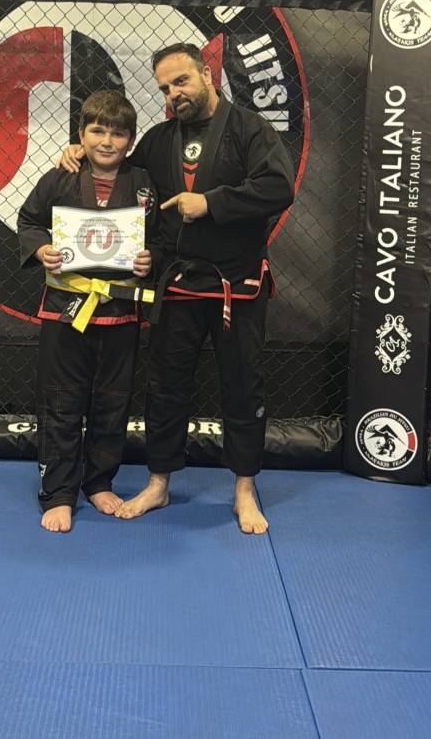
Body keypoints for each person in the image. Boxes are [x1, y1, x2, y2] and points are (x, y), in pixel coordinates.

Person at [60, 43, 295, 534]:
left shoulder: (250, 129)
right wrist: (79, 153)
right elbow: (121, 170)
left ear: (207, 73)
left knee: (243, 385)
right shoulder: (160, 138)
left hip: (236, 284)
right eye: (165, 87)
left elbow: (279, 187)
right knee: (165, 386)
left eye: (181, 81)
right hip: (178, 283)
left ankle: (244, 491)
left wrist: (210, 203)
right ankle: (158, 483)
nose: (174, 93)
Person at [18, 90, 157, 533]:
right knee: (61, 400)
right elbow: (29, 220)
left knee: (113, 401)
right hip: (66, 309)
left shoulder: (145, 183)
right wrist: (40, 249)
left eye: (118, 134)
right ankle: (59, 492)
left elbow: (161, 235)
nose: (107, 141)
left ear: (131, 140)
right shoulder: (60, 177)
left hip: (120, 311)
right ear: (81, 134)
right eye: (97, 131)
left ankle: (98, 482)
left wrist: (149, 259)